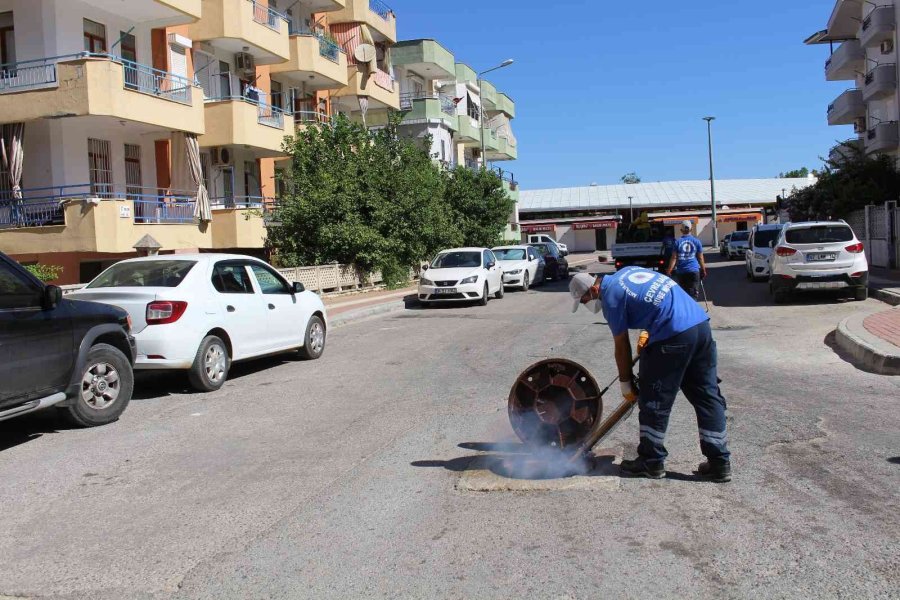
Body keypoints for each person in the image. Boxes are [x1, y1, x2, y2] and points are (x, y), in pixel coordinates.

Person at [569, 268, 731, 482]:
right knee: (706, 396)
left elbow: (622, 345)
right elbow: (653, 298)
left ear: (593, 289)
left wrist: (625, 381)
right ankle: (720, 464)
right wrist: (649, 330)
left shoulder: (610, 296)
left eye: (583, 301)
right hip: (699, 326)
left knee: (654, 398)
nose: (585, 305)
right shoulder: (627, 272)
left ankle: (651, 461)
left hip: (673, 334)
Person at [666, 220, 706, 300]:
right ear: (691, 230)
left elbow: (674, 258)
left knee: (684, 294)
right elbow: (700, 258)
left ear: (681, 230)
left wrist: (669, 270)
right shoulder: (697, 242)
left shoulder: (677, 242)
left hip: (681, 272)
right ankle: (693, 309)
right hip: (694, 271)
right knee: (693, 294)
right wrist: (703, 270)